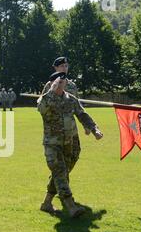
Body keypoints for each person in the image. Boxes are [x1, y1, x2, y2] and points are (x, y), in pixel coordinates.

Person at [38, 72, 103, 218]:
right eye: (57, 82)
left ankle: (46, 203)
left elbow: (82, 114)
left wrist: (94, 129)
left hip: (69, 143)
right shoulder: (46, 99)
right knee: (60, 171)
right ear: (51, 84)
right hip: (52, 144)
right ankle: (71, 206)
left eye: (63, 82)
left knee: (61, 173)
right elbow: (41, 109)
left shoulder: (71, 99)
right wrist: (51, 91)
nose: (61, 84)